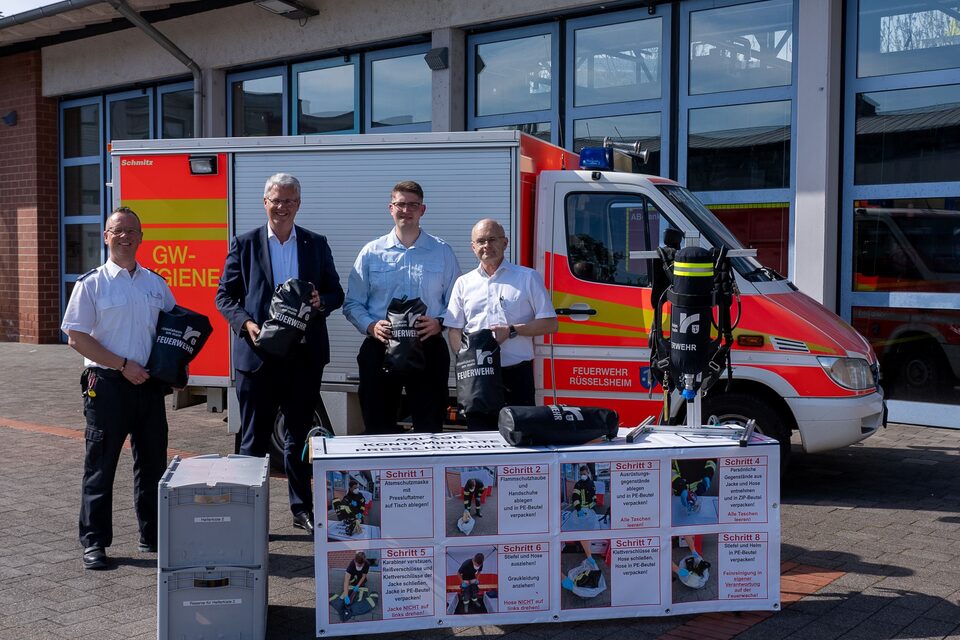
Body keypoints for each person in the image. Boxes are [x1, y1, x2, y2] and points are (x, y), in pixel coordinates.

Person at [215, 173, 344, 535]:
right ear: (265, 202)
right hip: (258, 358)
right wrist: (245, 325)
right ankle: (246, 510)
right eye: (276, 199)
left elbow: (337, 293)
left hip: (303, 359)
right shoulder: (245, 244)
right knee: (253, 439)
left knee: (298, 437)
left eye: (289, 200)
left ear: (298, 204)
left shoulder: (316, 244)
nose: (282, 206)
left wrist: (323, 301)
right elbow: (224, 297)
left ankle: (301, 508)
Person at [61, 206, 177, 570]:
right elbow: (76, 338)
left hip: (147, 385)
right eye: (117, 230)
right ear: (106, 236)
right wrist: (122, 365)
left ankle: (152, 535)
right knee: (101, 465)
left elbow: (173, 329)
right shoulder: (91, 283)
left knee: (153, 465)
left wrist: (173, 367)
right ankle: (94, 542)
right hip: (107, 384)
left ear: (141, 238)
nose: (125, 236)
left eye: (132, 231)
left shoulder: (155, 284)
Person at [343, 180, 460, 434]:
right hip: (381, 347)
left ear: (423, 210)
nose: (406, 210)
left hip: (427, 346)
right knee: (378, 426)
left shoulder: (442, 252)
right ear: (390, 208)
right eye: (400, 204)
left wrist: (439, 321)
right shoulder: (371, 253)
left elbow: (457, 301)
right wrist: (371, 326)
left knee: (429, 427)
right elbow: (352, 303)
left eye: (413, 205)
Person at [445, 219, 558, 429]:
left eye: (492, 239)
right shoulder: (463, 283)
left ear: (505, 243)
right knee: (479, 440)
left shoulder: (527, 277)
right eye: (480, 241)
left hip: (516, 376)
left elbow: (550, 324)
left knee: (522, 439)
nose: (486, 245)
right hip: (478, 377)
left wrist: (513, 330)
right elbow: (454, 329)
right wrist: (465, 360)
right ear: (473, 247)